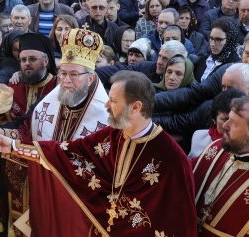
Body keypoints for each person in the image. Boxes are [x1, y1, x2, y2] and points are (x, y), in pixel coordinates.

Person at [0, 69, 197, 235]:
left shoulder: (173, 160)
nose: (106, 105)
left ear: (135, 108)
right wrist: (14, 147)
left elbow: (180, 222)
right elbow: (66, 152)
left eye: (113, 101)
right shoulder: (112, 135)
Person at [0, 28, 109, 236]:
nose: (66, 81)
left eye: (74, 74)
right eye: (63, 73)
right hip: (46, 193)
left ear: (90, 78)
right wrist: (4, 134)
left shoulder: (106, 115)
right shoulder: (52, 99)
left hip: (79, 205)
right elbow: (29, 130)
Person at [193, 95, 249, 236]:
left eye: (234, 123)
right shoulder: (217, 148)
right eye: (227, 119)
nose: (224, 126)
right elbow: (182, 173)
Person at [95, 40, 188, 89]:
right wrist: (92, 74)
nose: (159, 62)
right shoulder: (146, 67)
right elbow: (120, 71)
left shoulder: (187, 83)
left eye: (165, 59)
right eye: (159, 56)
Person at [189, 87, 246, 158]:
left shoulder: (244, 147)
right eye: (226, 119)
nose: (227, 124)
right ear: (214, 119)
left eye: (234, 120)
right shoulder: (199, 137)